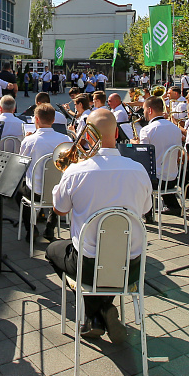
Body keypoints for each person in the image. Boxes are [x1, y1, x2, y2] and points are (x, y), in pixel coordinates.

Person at [47, 109, 152, 342]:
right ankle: (103, 310)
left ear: (88, 133)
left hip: (89, 266)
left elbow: (60, 209)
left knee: (51, 251)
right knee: (107, 267)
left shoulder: (76, 171)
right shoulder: (139, 169)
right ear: (117, 132)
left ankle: (94, 313)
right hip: (132, 267)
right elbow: (145, 210)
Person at [17, 104, 71, 242]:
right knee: (57, 188)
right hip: (57, 192)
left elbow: (22, 164)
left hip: (35, 192)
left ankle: (31, 229)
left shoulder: (29, 141)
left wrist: (26, 139)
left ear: (36, 119)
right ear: (53, 120)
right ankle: (50, 227)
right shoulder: (66, 139)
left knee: (19, 194)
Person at [136, 95, 184, 217]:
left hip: (156, 180)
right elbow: (178, 153)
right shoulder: (175, 128)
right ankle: (173, 206)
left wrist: (134, 144)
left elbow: (143, 157)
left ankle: (146, 213)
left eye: (144, 109)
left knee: (135, 175)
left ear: (150, 110)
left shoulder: (147, 130)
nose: (144, 112)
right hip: (172, 177)